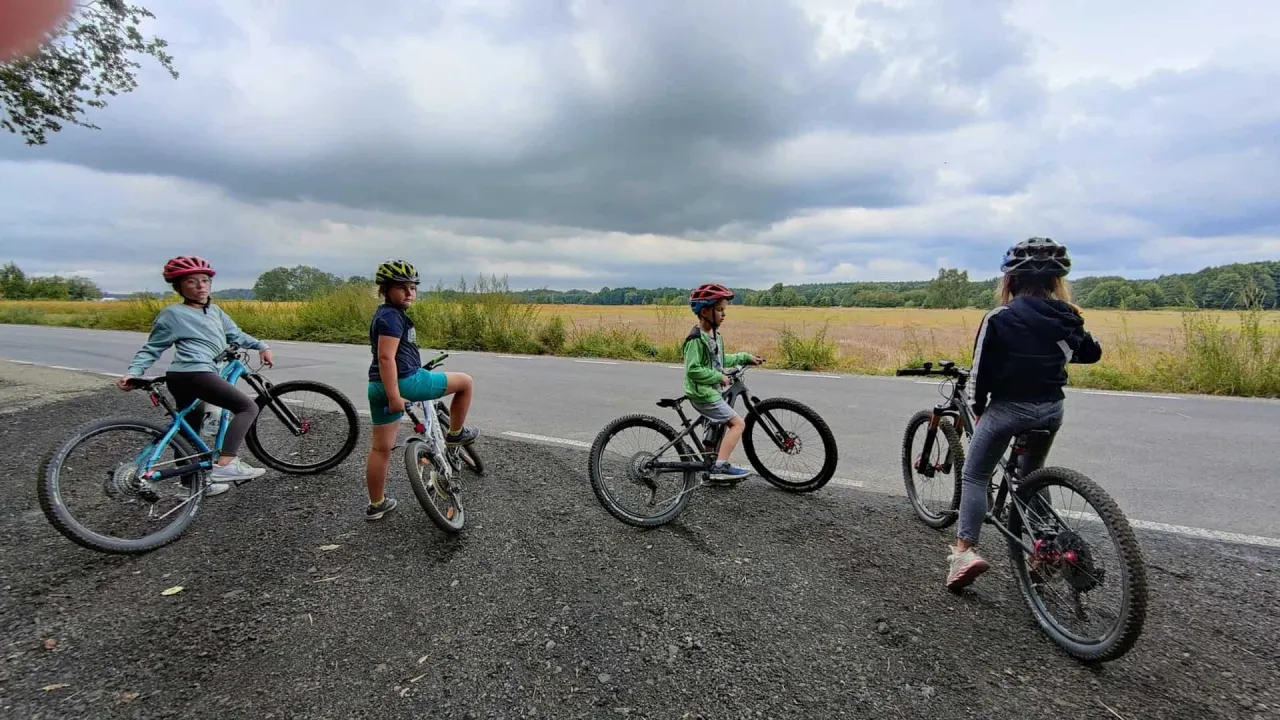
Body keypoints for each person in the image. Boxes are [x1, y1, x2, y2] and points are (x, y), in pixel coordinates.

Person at [946, 237, 1103, 591]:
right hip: (1051, 409)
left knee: (975, 475)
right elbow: (1091, 354)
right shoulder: (1069, 317)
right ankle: (1043, 548)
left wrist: (979, 411)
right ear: (1056, 282)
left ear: (1010, 280)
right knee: (1030, 474)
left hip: (1009, 409)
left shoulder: (1000, 317)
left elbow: (980, 373)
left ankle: (963, 554)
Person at [118, 256, 275, 497]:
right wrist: (133, 373)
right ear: (179, 287)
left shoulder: (215, 312)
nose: (200, 286)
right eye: (191, 282)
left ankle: (191, 484)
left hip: (184, 377)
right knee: (247, 407)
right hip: (195, 373)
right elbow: (152, 348)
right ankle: (226, 464)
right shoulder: (172, 314)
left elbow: (236, 334)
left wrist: (261, 346)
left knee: (189, 427)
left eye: (204, 280)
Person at [363, 259, 479, 521]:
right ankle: (456, 434)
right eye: (401, 288)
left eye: (412, 288)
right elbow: (386, 358)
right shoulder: (392, 317)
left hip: (376, 386)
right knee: (466, 382)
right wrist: (395, 395)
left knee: (381, 448)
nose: (409, 293)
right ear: (385, 289)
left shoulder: (383, 315)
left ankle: (376, 504)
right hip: (406, 381)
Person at [682, 283, 765, 482]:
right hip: (703, 393)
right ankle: (720, 467)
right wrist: (719, 377)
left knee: (714, 427)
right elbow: (693, 370)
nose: (723, 314)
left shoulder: (714, 336)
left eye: (723, 310)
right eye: (719, 310)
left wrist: (745, 357)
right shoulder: (695, 339)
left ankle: (709, 468)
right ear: (704, 311)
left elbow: (721, 360)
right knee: (737, 424)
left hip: (709, 391)